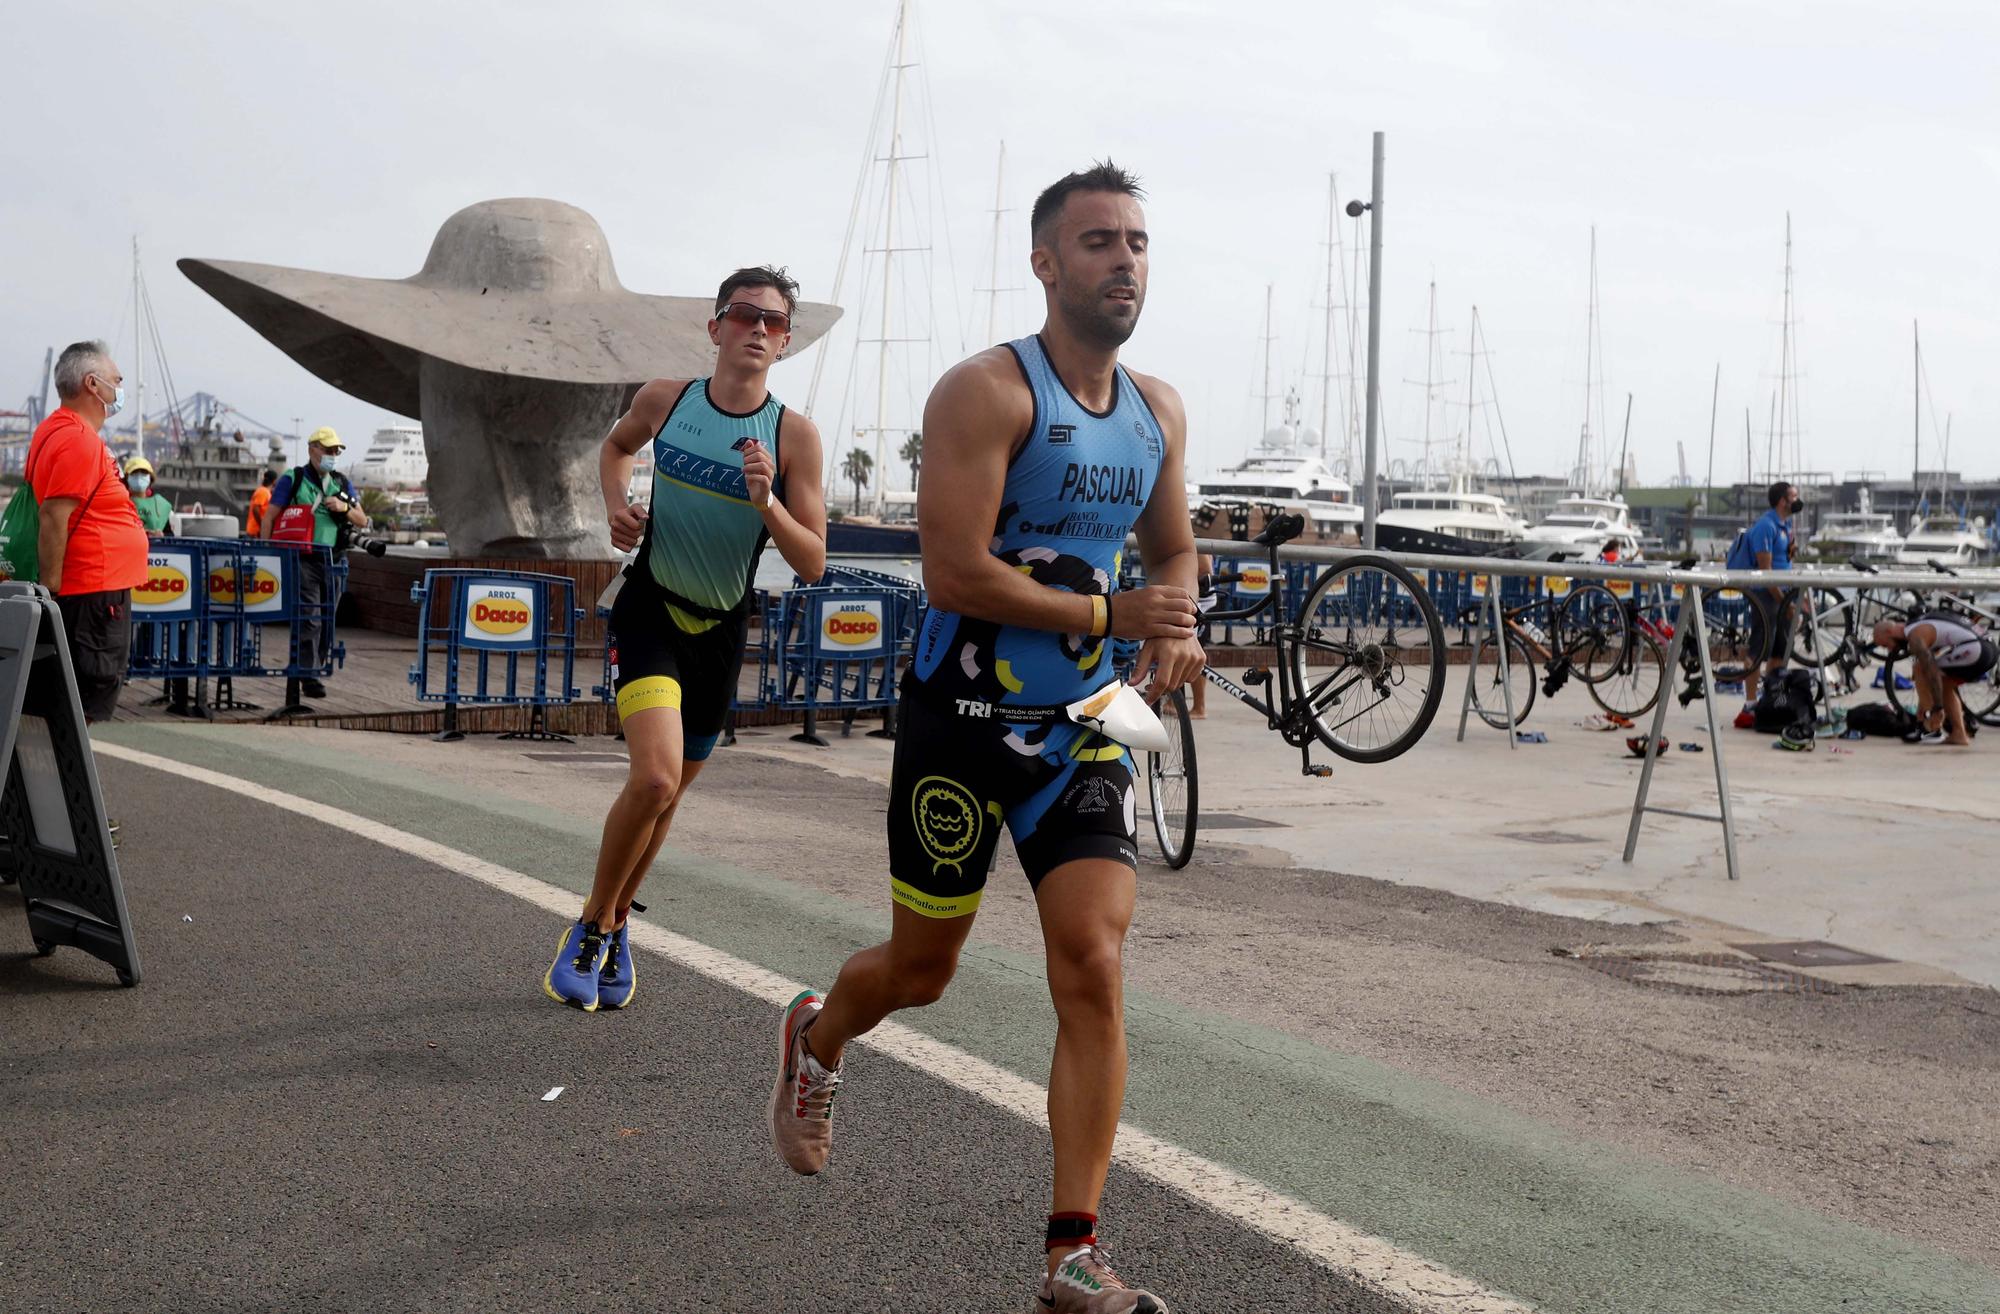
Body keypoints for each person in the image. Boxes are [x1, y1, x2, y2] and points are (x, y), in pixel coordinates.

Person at [769, 163, 1202, 1314]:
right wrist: (1115, 615)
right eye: (1099, 242)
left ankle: (1072, 1252)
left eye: (1139, 244)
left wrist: (1177, 624)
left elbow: (1171, 553)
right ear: (1045, 263)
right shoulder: (984, 392)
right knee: (922, 971)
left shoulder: (1156, 408)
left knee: (1094, 967)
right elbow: (954, 569)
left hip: (1080, 728)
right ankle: (816, 1036)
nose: (1124, 262)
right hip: (957, 724)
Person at [541, 266, 826, 1012]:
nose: (756, 329)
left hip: (723, 630)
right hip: (652, 610)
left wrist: (767, 502)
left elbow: (812, 559)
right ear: (716, 328)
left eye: (771, 321)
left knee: (667, 802)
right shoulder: (668, 401)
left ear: (786, 341)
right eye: (743, 315)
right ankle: (586, 928)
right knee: (656, 777)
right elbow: (615, 448)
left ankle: (615, 923)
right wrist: (617, 505)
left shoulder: (793, 436)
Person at [23, 341, 149, 721]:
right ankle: (72, 779)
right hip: (93, 596)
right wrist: (53, 590)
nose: (121, 387)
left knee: (66, 703)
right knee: (85, 701)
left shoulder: (55, 430)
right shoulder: (78, 439)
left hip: (90, 593)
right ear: (93, 385)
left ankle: (62, 777)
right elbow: (53, 515)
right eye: (117, 379)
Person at [262, 427, 367, 700]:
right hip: (303, 558)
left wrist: (343, 508)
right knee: (309, 617)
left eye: (335, 451)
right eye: (327, 450)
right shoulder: (294, 479)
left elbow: (362, 519)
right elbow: (269, 517)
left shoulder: (341, 483)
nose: (332, 455)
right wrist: (267, 553)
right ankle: (307, 675)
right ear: (312, 449)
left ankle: (313, 668)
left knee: (327, 617)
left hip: (334, 558)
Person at [1726, 480, 1802, 727]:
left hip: (1784, 592)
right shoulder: (1765, 526)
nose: (1797, 499)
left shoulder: (1786, 525)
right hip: (1766, 595)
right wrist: (1785, 603)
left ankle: (1771, 697)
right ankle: (1749, 704)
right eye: (1793, 495)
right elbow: (1765, 571)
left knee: (1780, 649)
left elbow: (1783, 560)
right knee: (1758, 649)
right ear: (1783, 500)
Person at [1872, 616, 1995, 746]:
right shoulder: (1919, 623)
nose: (1890, 650)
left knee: (1921, 669)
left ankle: (1931, 725)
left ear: (1889, 632)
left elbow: (1932, 673)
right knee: (1944, 685)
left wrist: (1937, 708)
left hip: (1977, 649)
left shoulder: (1915, 636)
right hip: (1989, 647)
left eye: (1886, 645)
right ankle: (1959, 734)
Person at [124, 457, 172, 536]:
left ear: (150, 478)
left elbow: (170, 535)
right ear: (127, 478)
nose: (139, 477)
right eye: (134, 473)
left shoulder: (160, 506)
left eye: (143, 473)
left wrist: (162, 535)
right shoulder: (120, 503)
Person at [245, 468, 277, 537]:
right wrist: (262, 525)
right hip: (255, 532)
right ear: (274, 481)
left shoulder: (266, 492)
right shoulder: (262, 491)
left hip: (258, 533)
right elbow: (255, 509)